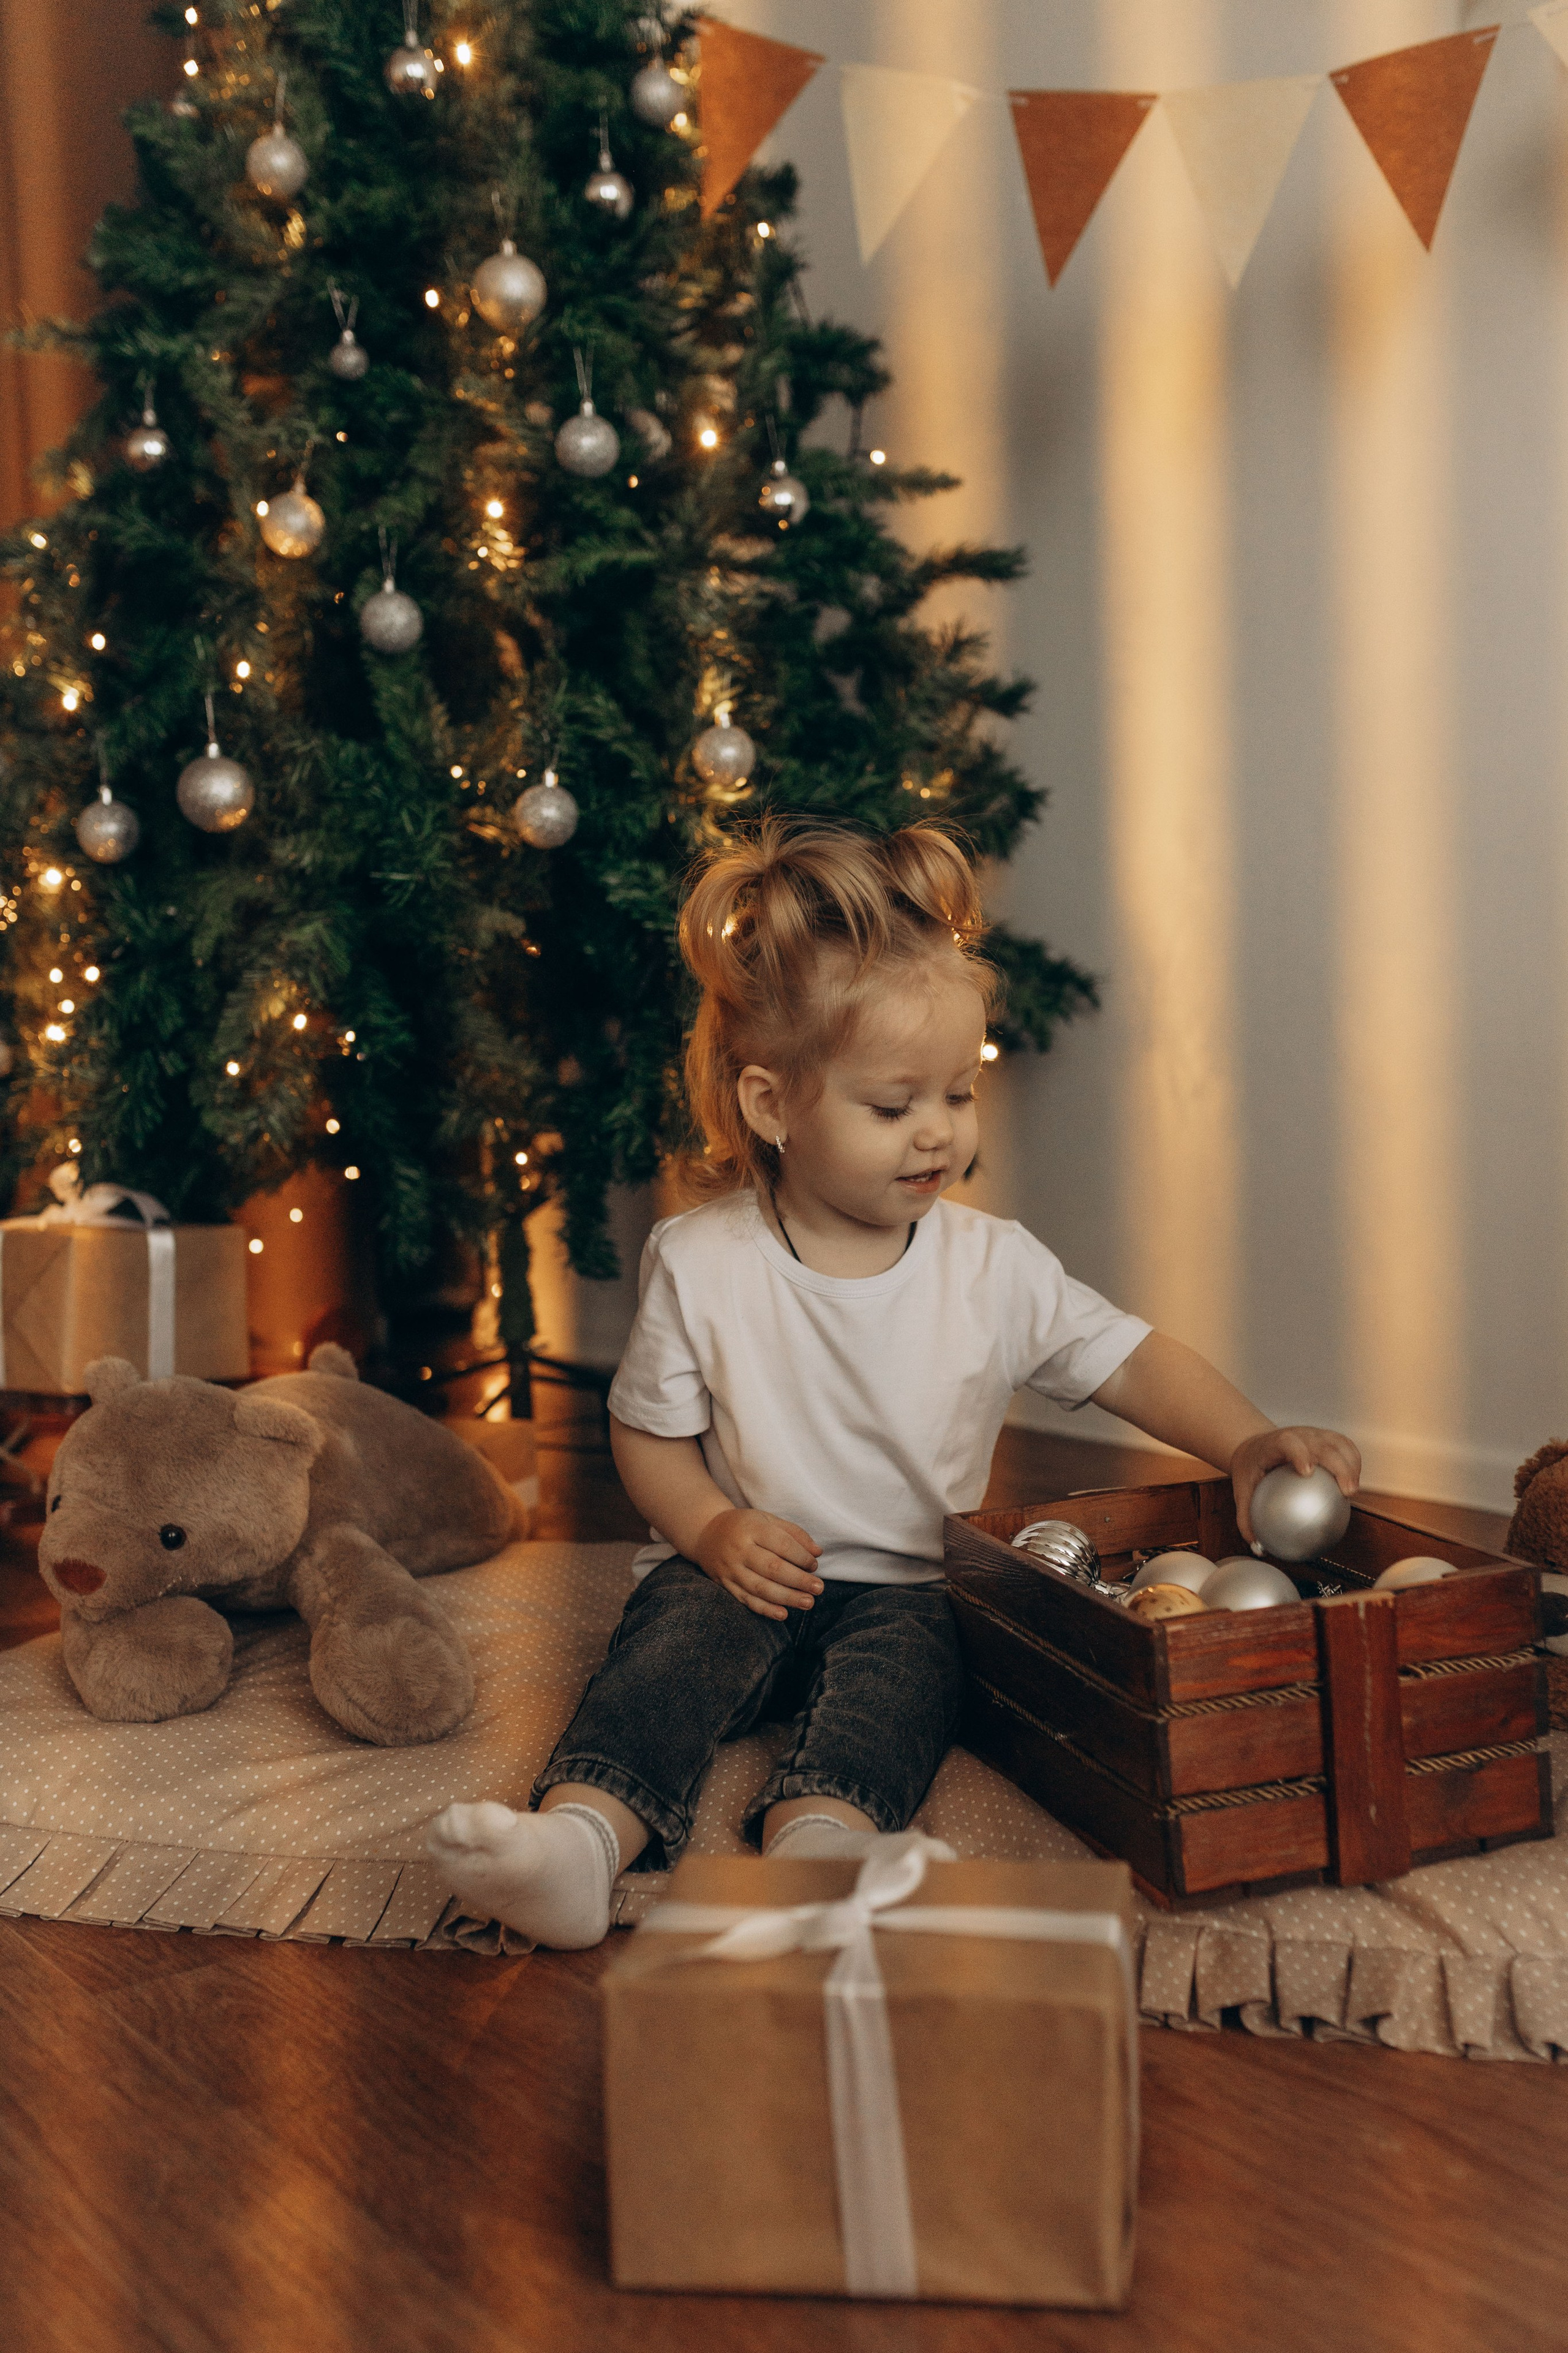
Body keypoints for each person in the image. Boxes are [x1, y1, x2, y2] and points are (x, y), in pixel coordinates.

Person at [426, 820, 1360, 1946]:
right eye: (893, 1105)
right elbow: (649, 1440)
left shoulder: (992, 1266)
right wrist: (714, 1529)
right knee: (663, 1659)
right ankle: (580, 1838)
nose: (938, 1134)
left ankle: (823, 1840)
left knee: (907, 1690)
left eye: (959, 1095)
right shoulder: (705, 1261)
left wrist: (1247, 1441)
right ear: (773, 1107)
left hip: (911, 1585)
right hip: (741, 1568)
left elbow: (1131, 1360)